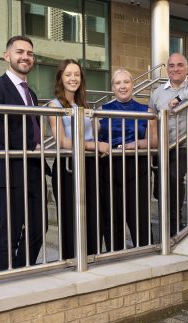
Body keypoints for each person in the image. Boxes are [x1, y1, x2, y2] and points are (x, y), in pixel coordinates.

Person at [0, 35, 49, 270]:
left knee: (39, 228)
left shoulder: (31, 93)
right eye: (20, 52)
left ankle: (21, 269)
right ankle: (5, 278)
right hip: (8, 169)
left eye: (29, 53)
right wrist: (31, 145)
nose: (25, 57)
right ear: (6, 55)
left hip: (32, 169)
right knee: (10, 229)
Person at [48, 59, 109, 258]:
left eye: (76, 74)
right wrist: (94, 145)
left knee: (93, 212)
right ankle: (71, 260)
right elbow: (63, 141)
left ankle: (91, 256)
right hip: (68, 166)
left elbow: (94, 132)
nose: (73, 78)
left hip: (91, 165)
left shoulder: (84, 104)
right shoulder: (54, 105)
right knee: (70, 215)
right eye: (68, 74)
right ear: (60, 78)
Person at [149, 53, 188, 236]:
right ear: (167, 69)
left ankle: (175, 225)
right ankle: (166, 221)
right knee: (161, 186)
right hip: (163, 147)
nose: (175, 69)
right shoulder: (158, 92)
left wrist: (180, 97)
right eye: (171, 66)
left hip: (186, 145)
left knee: (174, 177)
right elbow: (151, 116)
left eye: (179, 65)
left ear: (187, 68)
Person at [100, 69, 150, 251]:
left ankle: (144, 252)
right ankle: (114, 255)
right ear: (113, 87)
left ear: (132, 84)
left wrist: (134, 144)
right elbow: (95, 139)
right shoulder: (102, 110)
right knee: (111, 216)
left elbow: (154, 140)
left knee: (138, 215)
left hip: (136, 166)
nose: (122, 86)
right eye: (118, 83)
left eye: (126, 82)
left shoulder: (146, 110)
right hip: (108, 167)